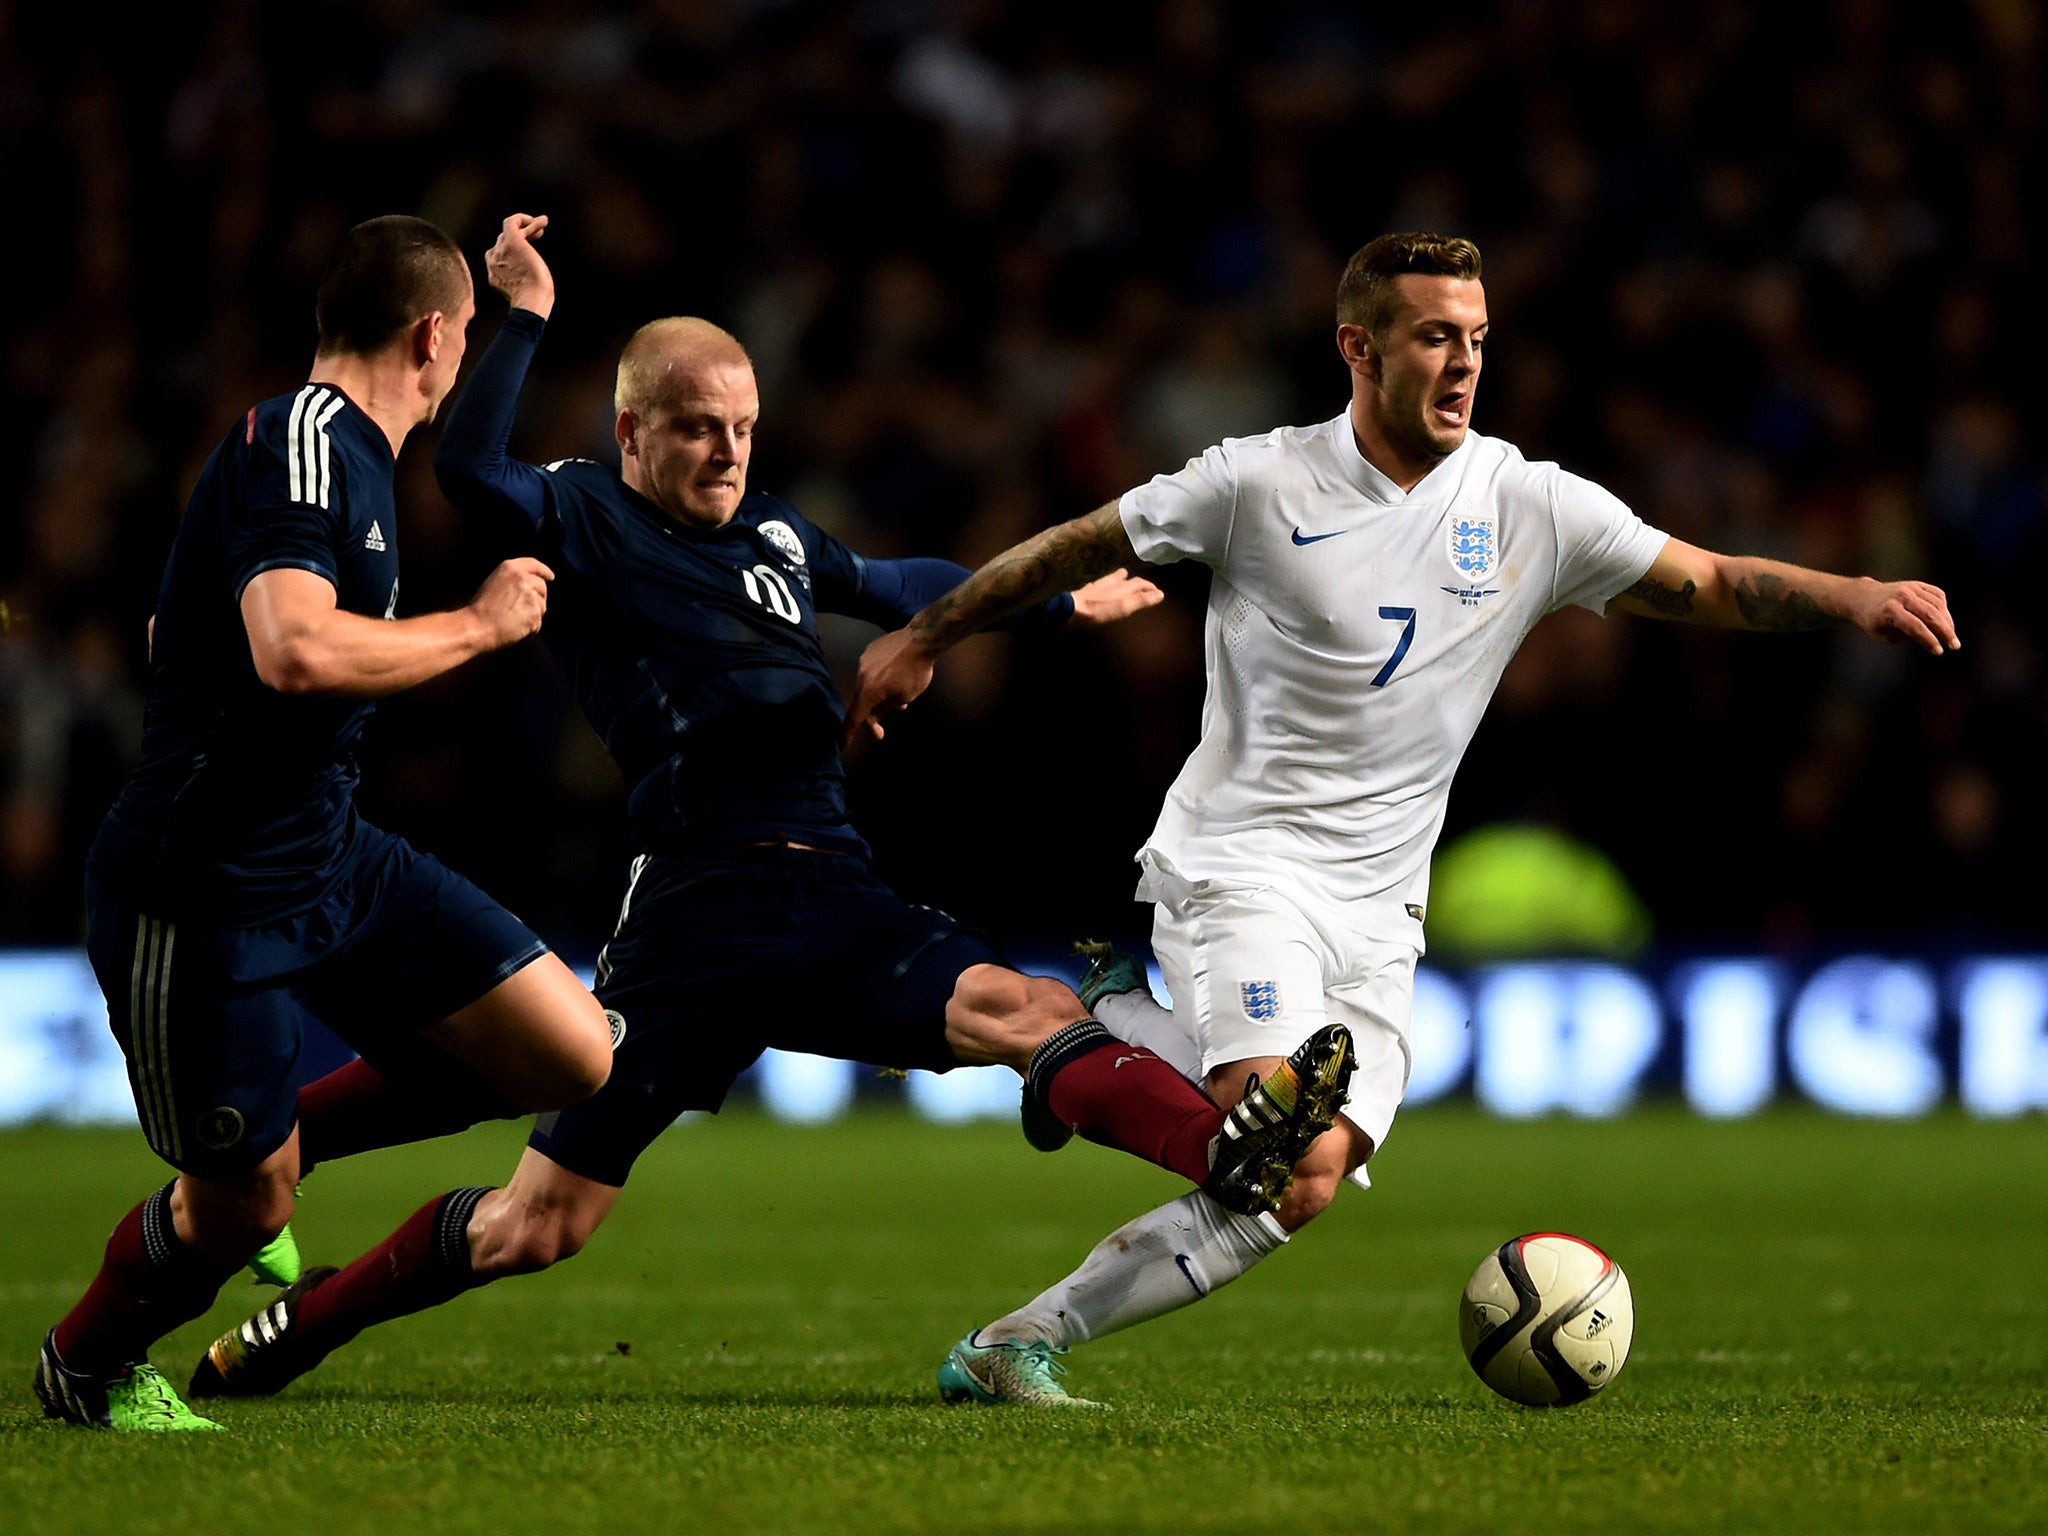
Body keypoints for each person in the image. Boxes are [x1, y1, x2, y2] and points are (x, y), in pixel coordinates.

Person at [184, 214, 1355, 1404]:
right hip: (697, 910)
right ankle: (307, 1319)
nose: (727, 452)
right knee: (534, 1229)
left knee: (1027, 1003)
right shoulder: (585, 513)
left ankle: (1222, 1153)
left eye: (743, 429)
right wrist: (527, 313)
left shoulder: (778, 536)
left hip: (835, 895)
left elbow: (900, 587)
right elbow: (467, 469)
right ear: (632, 430)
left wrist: (1053, 608)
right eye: (698, 429)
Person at [844, 230, 1960, 1407]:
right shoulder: (1256, 482)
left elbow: (1714, 582)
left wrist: (1854, 596)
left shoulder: (1527, 504)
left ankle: (1016, 1326)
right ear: (1358, 348)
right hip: (1245, 865)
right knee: (1259, 1124)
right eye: (1435, 336)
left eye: (1476, 339)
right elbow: (1079, 541)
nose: (1463, 362)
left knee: (1301, 1177)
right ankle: (1093, 1028)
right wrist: (928, 631)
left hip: (1382, 910)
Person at [34, 216, 617, 1433]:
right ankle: (86, 1362)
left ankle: (267, 1144)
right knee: (242, 1215)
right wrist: (480, 623)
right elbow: (294, 647)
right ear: (430, 336)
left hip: (331, 855)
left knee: (565, 1053)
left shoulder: (337, 456)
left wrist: (523, 316)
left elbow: (183, 637)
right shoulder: (307, 439)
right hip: (201, 896)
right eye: (463, 341)